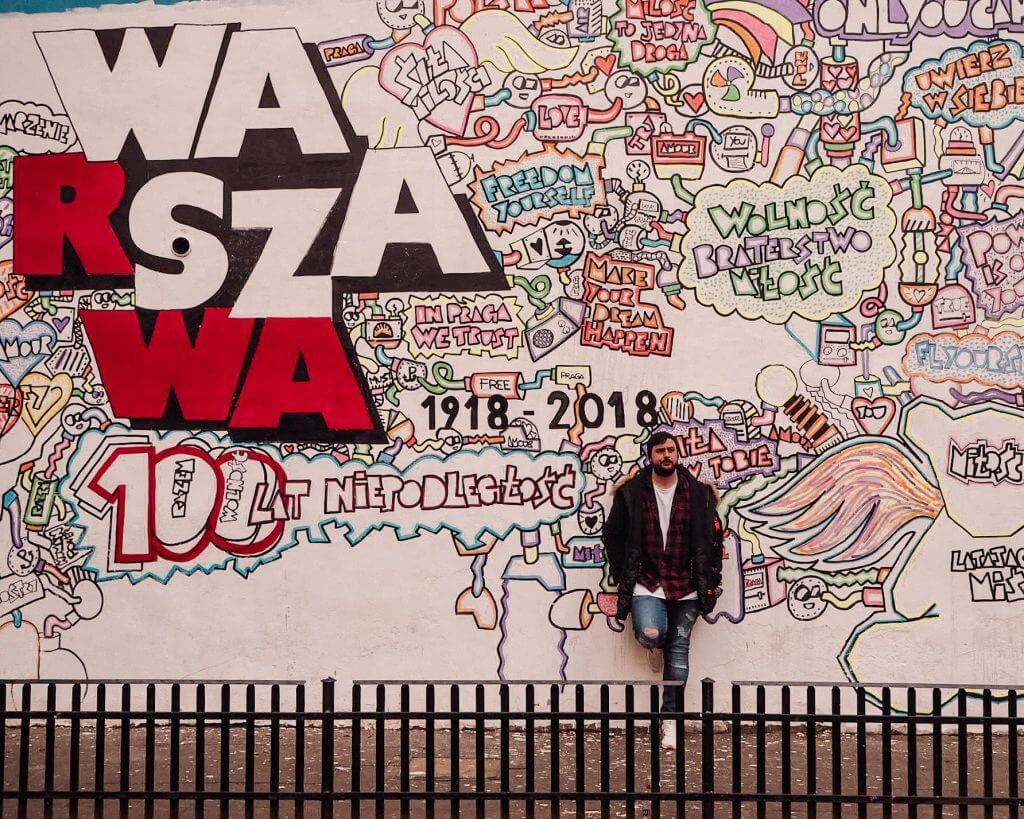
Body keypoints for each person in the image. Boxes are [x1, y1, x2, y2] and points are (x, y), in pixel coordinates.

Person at [601, 431, 724, 750]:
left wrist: (711, 577)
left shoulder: (699, 493)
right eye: (660, 451)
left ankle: (670, 720)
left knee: (679, 652)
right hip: (648, 582)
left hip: (687, 584)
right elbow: (611, 535)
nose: (666, 455)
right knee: (652, 633)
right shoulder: (631, 493)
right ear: (650, 456)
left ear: (677, 454)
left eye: (671, 450)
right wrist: (620, 572)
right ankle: (654, 646)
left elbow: (714, 540)